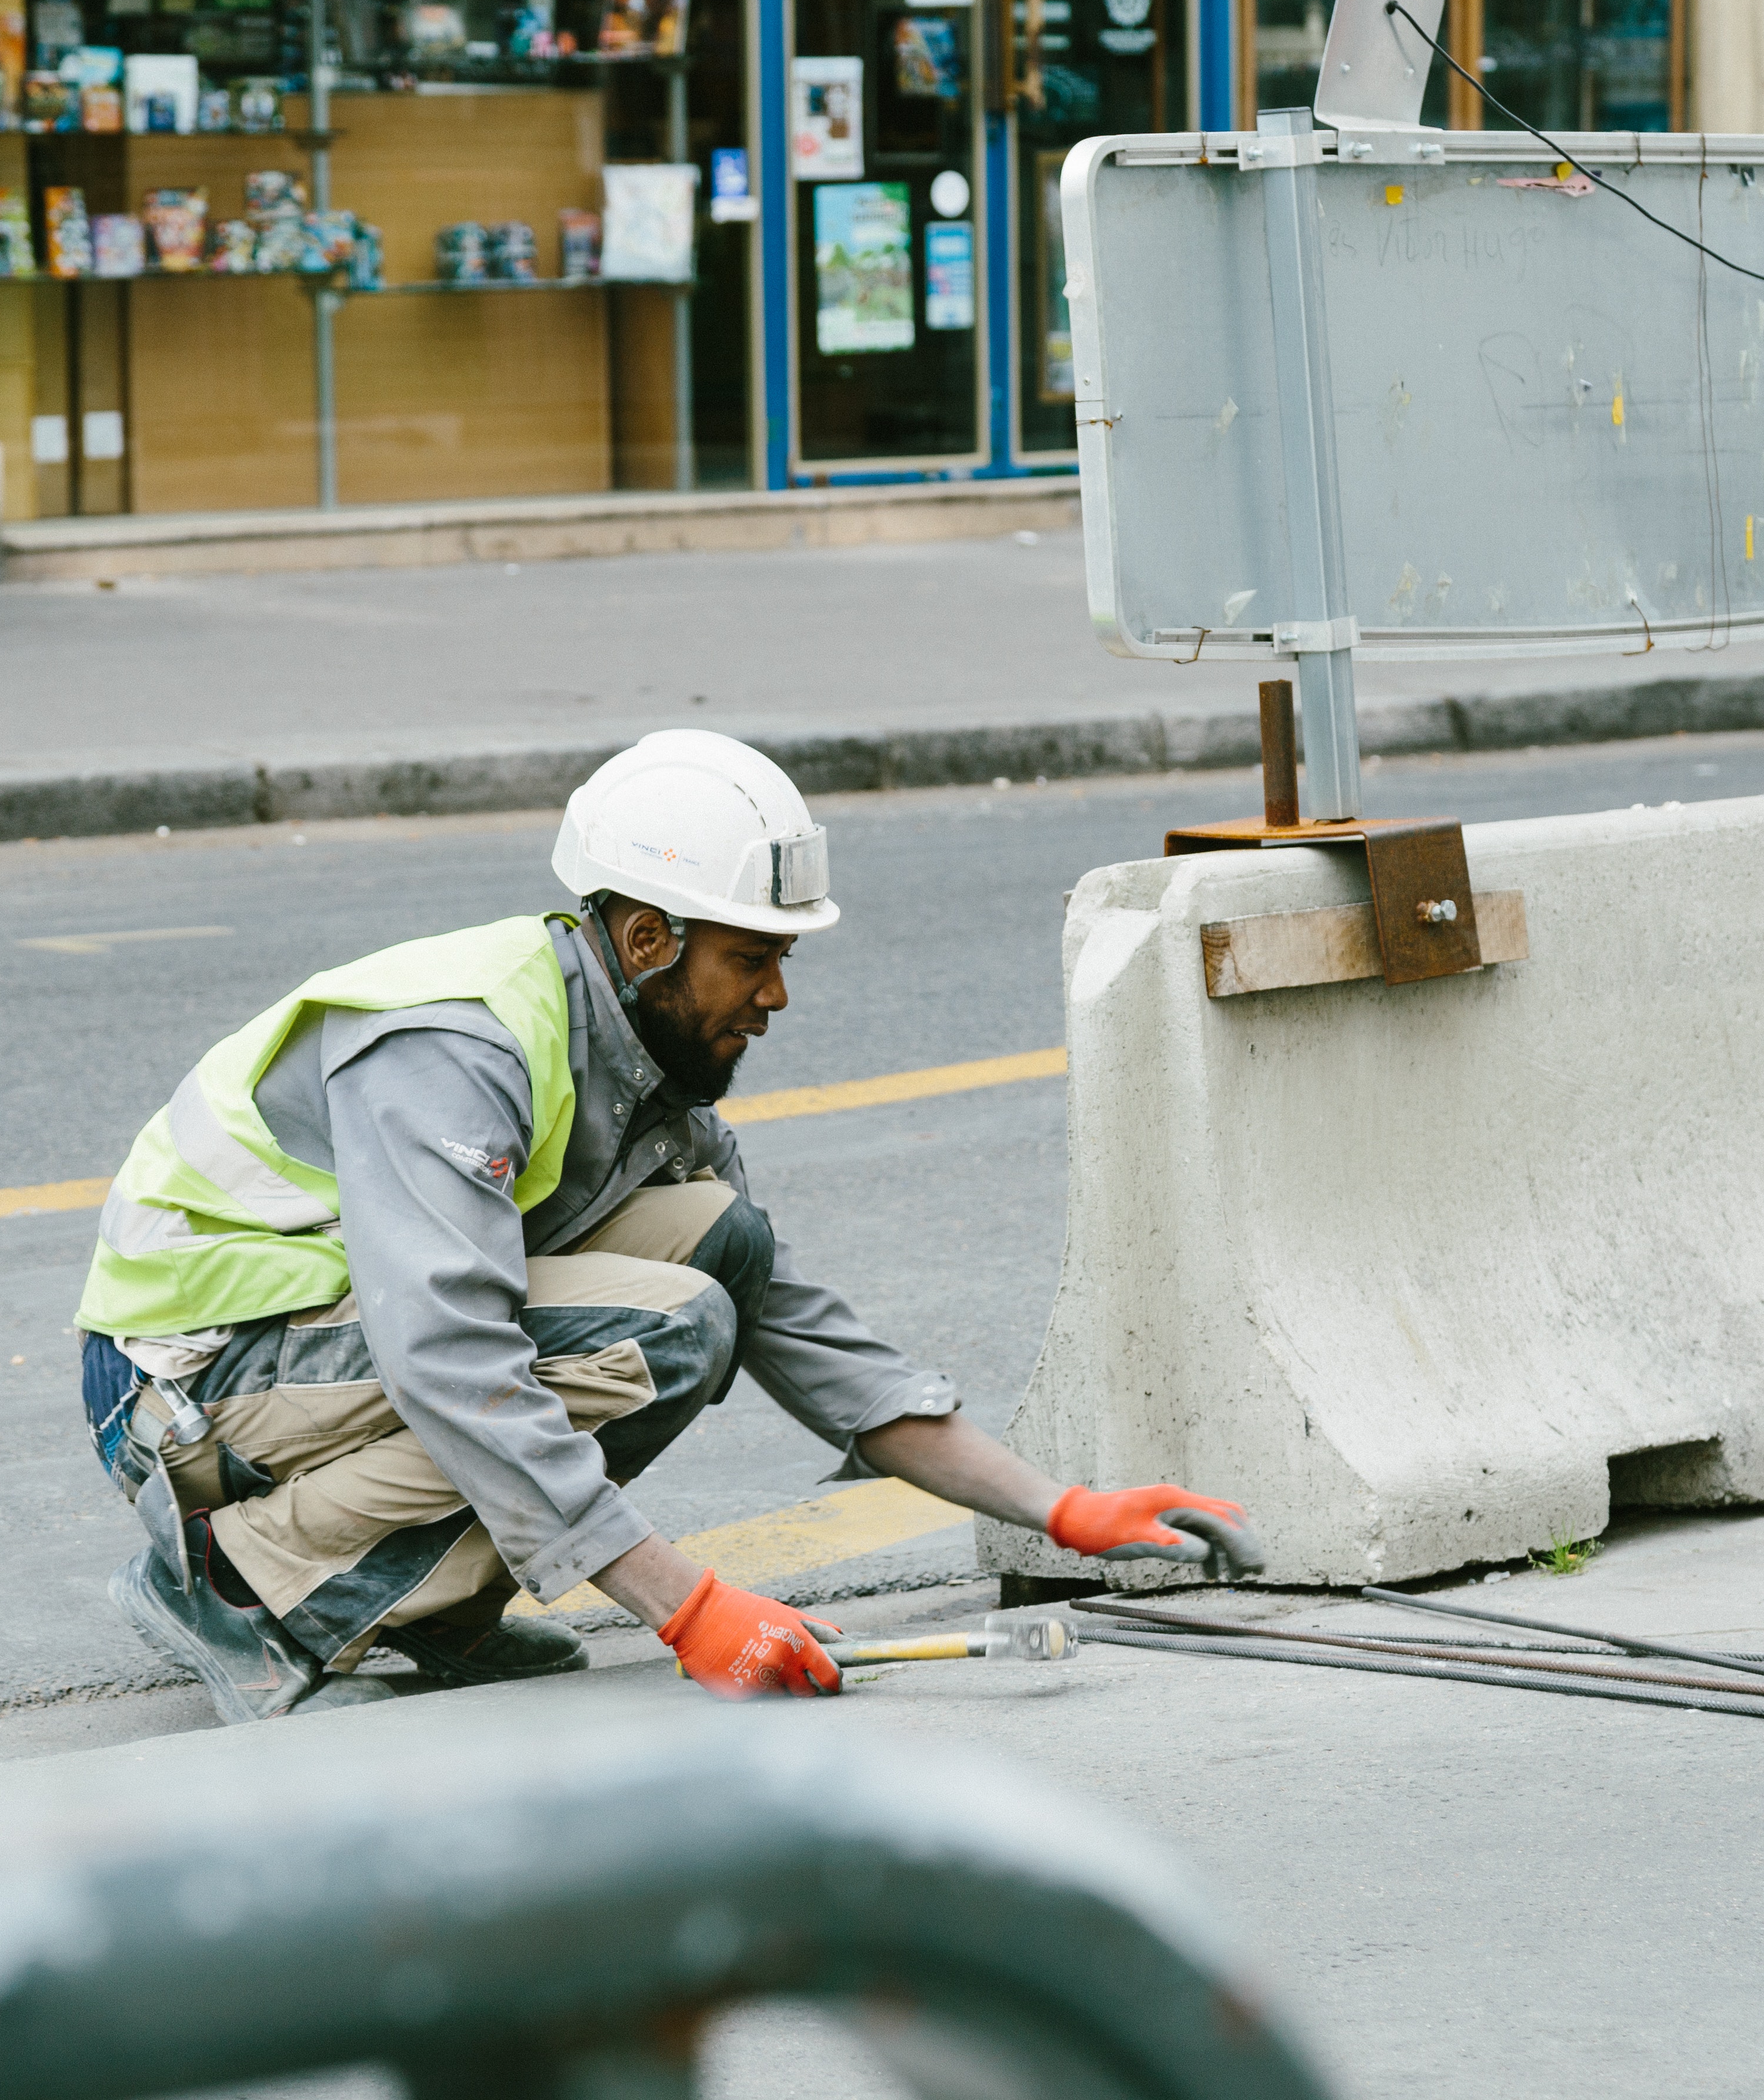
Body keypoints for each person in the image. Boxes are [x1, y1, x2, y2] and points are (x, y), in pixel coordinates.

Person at [75, 728, 1261, 1720]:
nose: (777, 995)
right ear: (648, 942)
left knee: (715, 1250)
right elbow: (449, 1355)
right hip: (184, 1384)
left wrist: (1060, 1509)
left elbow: (805, 1332)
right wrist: (686, 1609)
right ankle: (240, 1594)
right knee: (668, 1329)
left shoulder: (647, 1071)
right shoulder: (461, 1045)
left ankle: (426, 1611)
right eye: (752, 959)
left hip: (310, 1355)